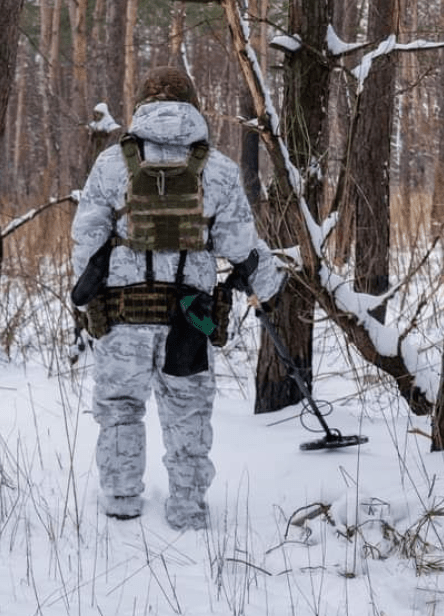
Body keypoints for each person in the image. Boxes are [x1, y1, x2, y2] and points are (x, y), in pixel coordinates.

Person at [71, 67, 284, 530]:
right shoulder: (219, 169)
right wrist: (268, 287)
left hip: (122, 317)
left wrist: (86, 302)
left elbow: (86, 240)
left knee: (121, 409)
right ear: (193, 104)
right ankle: (188, 510)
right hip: (188, 318)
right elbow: (240, 245)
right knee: (187, 416)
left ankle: (122, 500)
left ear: (141, 105)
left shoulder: (111, 165)